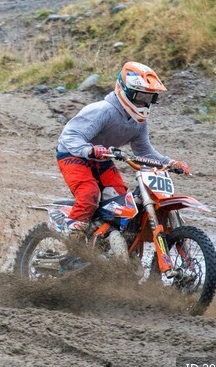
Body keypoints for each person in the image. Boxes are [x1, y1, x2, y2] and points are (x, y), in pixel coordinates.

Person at [55, 61, 190, 237]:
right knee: (89, 194)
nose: (144, 102)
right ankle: (72, 238)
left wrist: (170, 162)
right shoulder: (103, 111)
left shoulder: (138, 122)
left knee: (120, 200)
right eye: (140, 97)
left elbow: (144, 151)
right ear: (125, 90)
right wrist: (88, 150)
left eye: (149, 98)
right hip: (73, 154)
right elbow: (69, 136)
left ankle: (103, 235)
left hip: (101, 158)